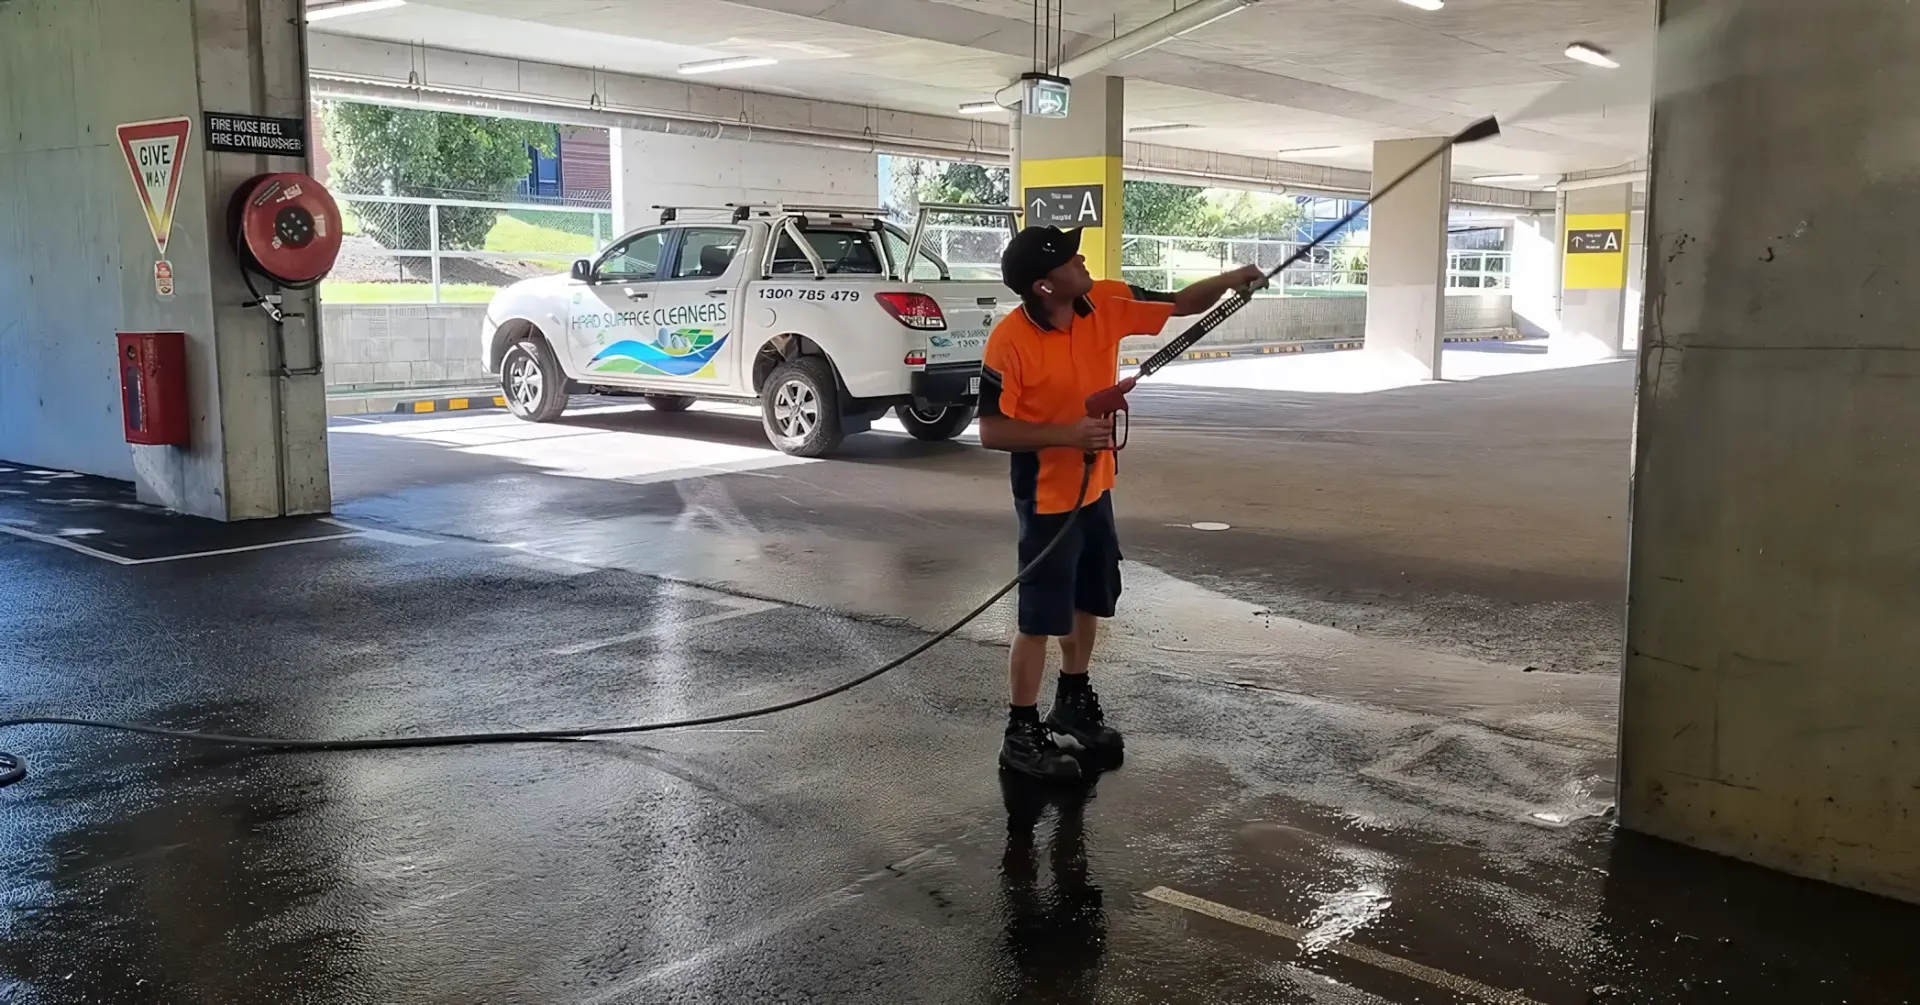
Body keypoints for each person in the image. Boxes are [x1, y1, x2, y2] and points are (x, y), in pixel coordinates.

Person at [978, 225, 1266, 781]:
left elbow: (1180, 303)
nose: (1081, 258)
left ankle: (1073, 702)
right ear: (1043, 286)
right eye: (1067, 257)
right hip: (1045, 496)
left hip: (1096, 488)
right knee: (1039, 617)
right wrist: (1068, 436)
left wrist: (1232, 280)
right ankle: (1020, 732)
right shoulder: (1009, 341)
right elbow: (991, 430)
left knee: (1089, 599)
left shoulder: (1102, 300)